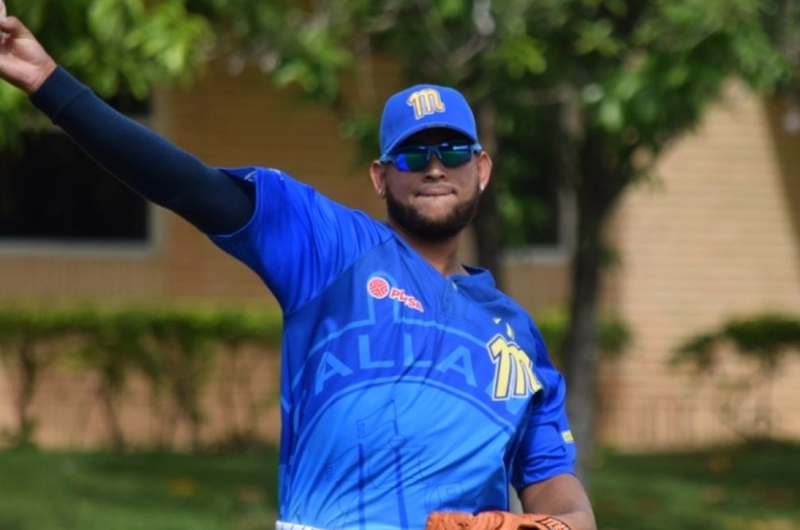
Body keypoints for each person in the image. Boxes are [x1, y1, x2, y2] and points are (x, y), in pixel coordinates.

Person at [0, 9, 596, 530]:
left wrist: (559, 526)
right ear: (380, 176)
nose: (435, 167)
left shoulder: (514, 333)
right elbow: (186, 186)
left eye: (454, 151)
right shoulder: (331, 247)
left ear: (482, 168)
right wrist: (49, 83)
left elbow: (553, 480)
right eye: (414, 153)